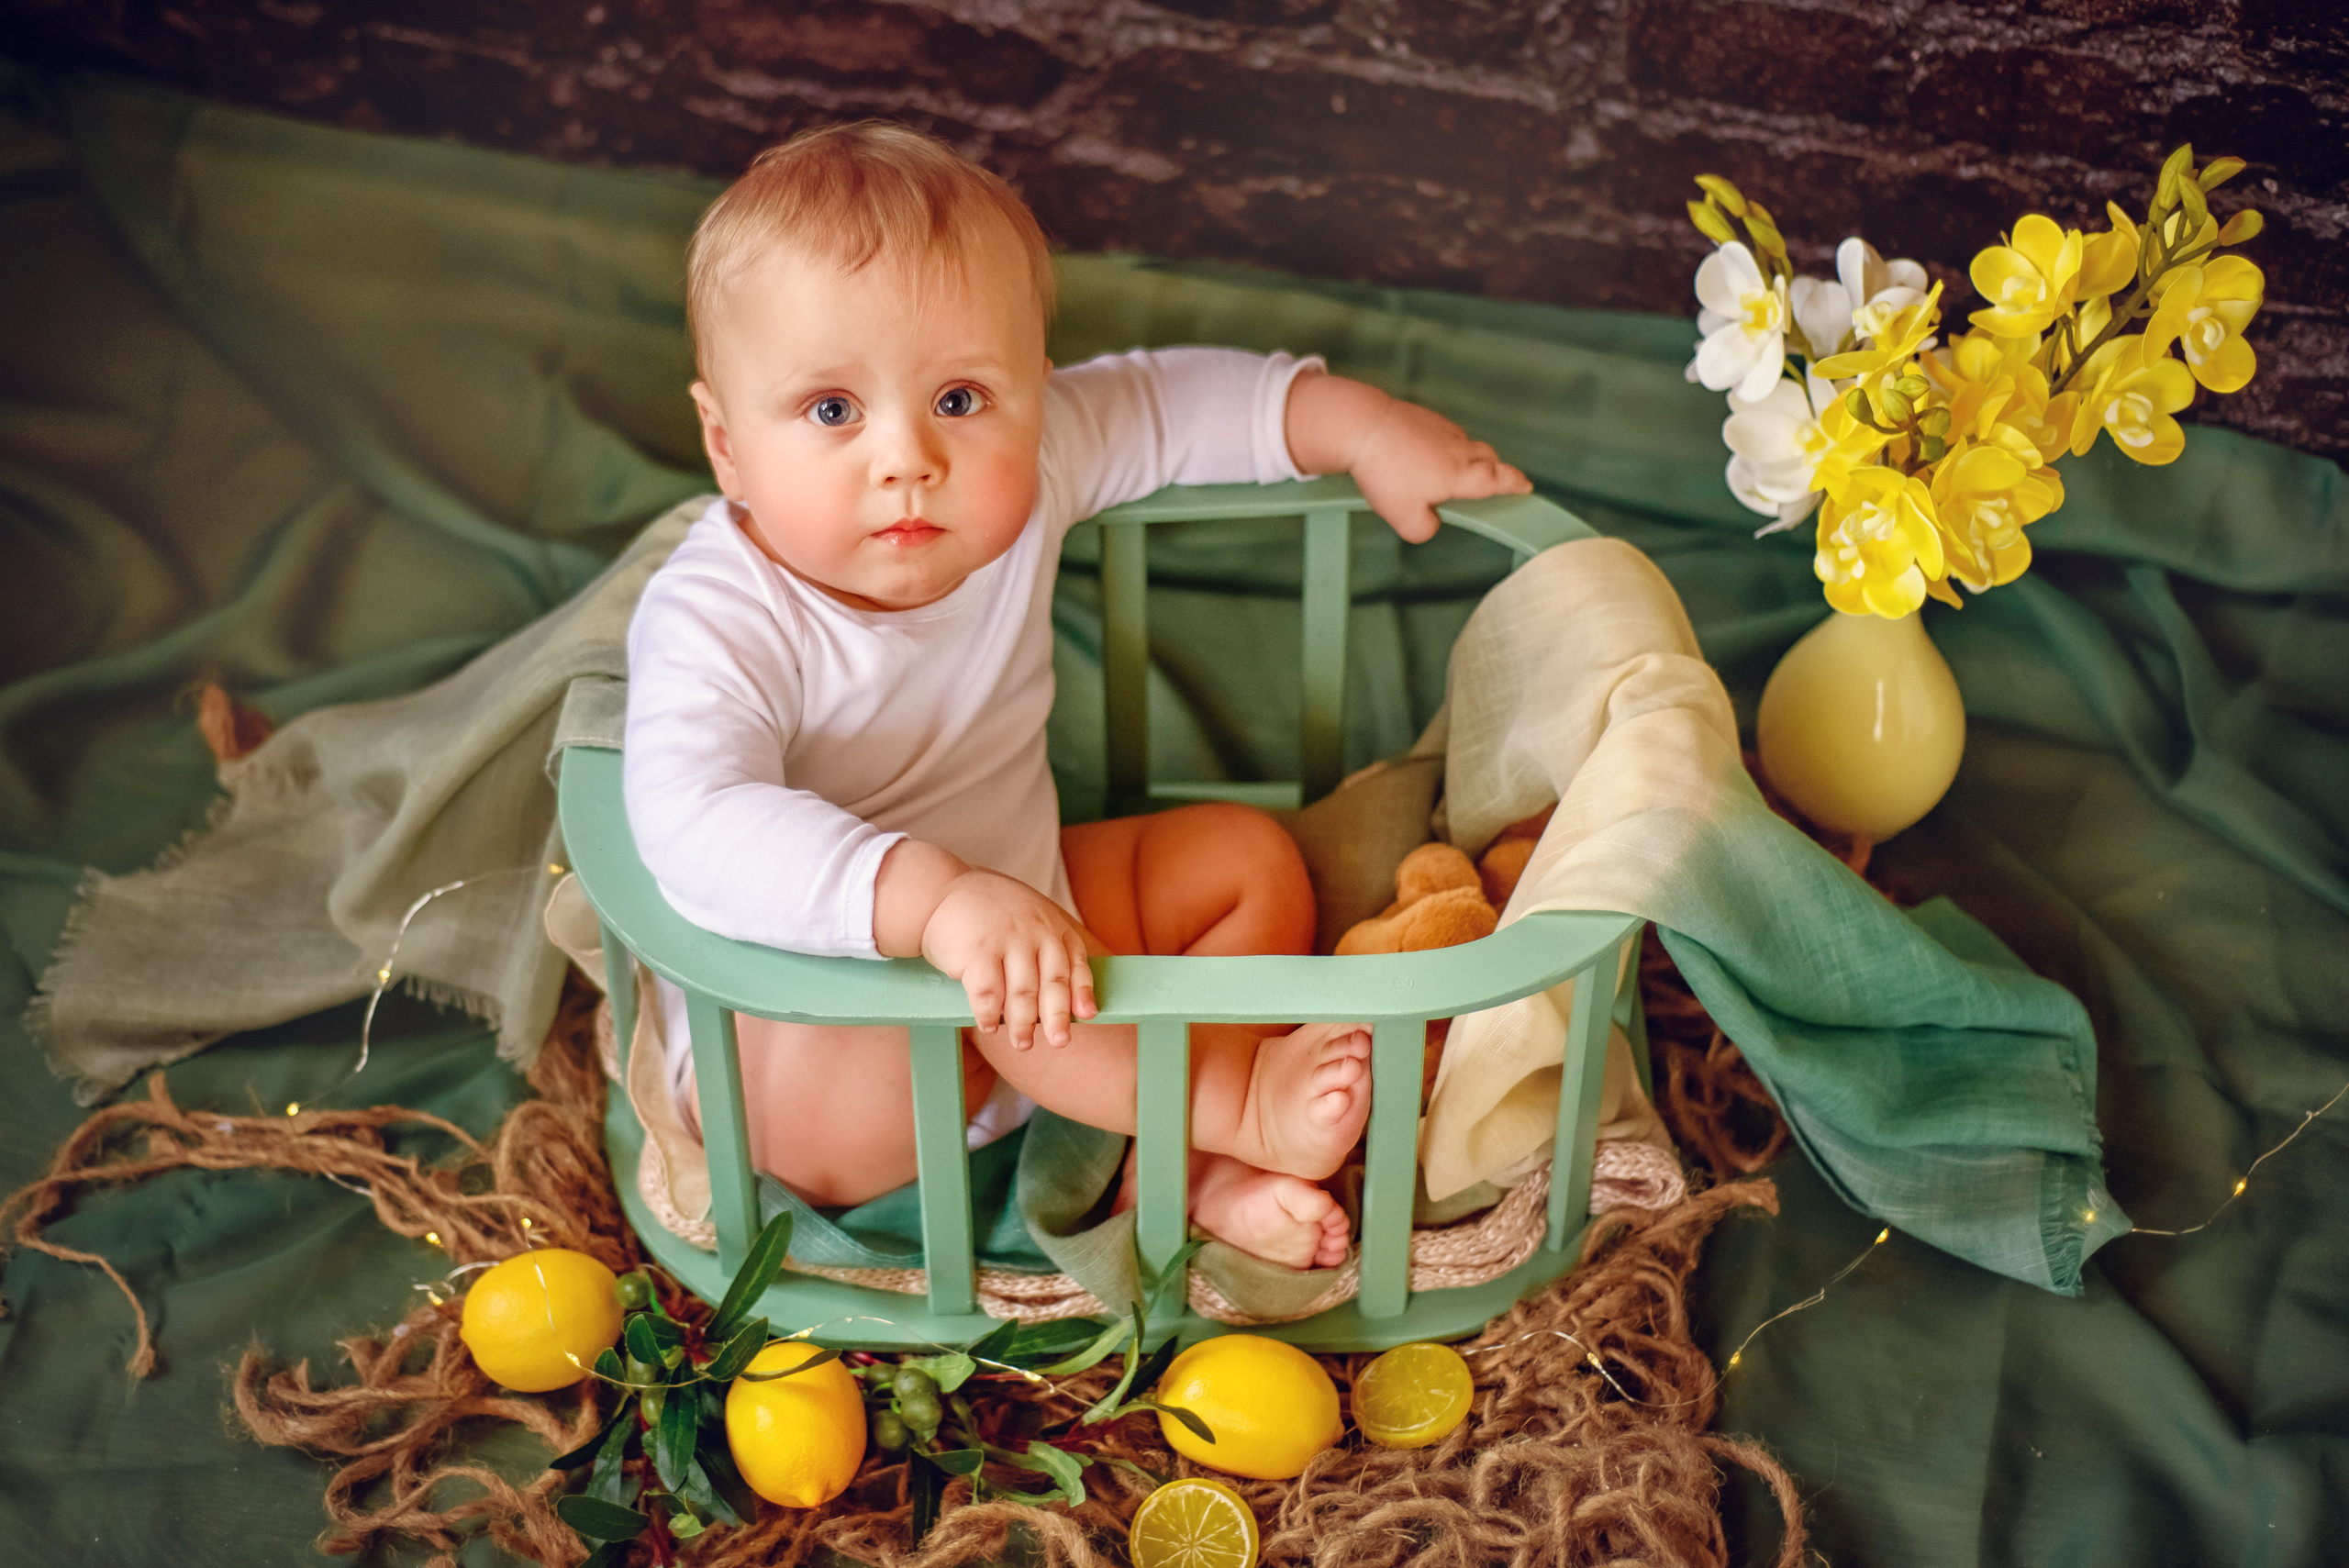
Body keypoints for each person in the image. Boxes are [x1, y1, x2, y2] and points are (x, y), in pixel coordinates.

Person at [624, 121, 1530, 1270]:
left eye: (958, 398)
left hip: (1026, 921)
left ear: (1031, 397)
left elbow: (1169, 403)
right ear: (726, 443)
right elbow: (692, 818)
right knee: (976, 999)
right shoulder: (720, 614)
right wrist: (936, 906)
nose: (908, 456)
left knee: (1242, 862)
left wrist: (1361, 428)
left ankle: (1189, 1164)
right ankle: (1232, 1099)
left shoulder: (1032, 461)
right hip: (821, 1050)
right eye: (831, 411)